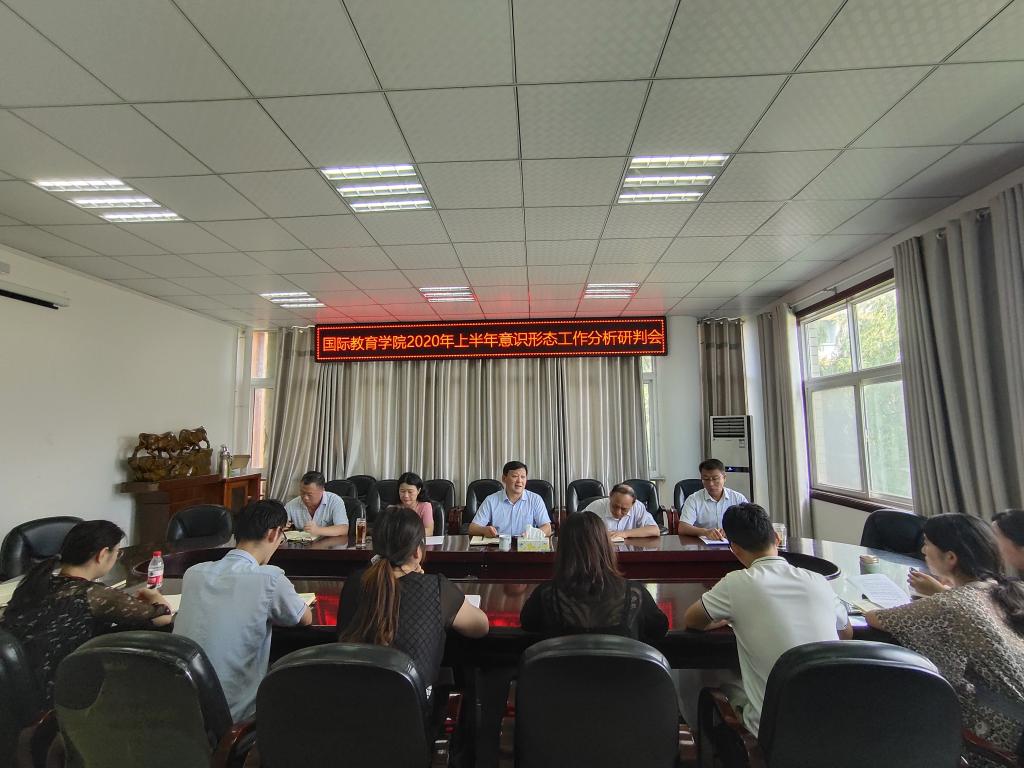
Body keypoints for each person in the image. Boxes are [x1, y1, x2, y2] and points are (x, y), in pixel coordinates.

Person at [683, 503, 851, 737]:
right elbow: (846, 633)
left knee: (715, 682)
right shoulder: (817, 580)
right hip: (836, 724)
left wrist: (722, 621)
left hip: (773, 732)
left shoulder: (737, 583)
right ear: (777, 538)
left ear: (735, 549)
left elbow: (692, 620)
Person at [866, 514, 1024, 762]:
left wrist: (940, 596)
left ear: (951, 558)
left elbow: (876, 619)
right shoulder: (1007, 590)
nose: (923, 550)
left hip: (1000, 739)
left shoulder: (951, 605)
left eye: (927, 543)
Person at [1, 520, 173, 704]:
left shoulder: (34, 581)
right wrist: (154, 595)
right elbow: (163, 617)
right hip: (55, 691)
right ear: (102, 554)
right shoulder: (91, 593)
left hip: (13, 686)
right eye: (117, 553)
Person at [173, 499, 313, 721]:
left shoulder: (194, 573)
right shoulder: (270, 578)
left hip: (182, 708)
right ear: (273, 533)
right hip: (235, 718)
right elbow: (305, 618)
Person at [338, 505, 489, 700]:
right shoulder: (436, 587)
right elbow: (481, 626)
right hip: (413, 714)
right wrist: (422, 581)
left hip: (353, 706)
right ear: (417, 551)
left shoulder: (354, 583)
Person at [520, 510, 668, 641]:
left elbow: (528, 624)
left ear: (563, 550)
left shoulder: (546, 593)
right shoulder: (634, 593)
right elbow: (659, 629)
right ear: (605, 546)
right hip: (621, 665)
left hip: (560, 665)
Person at [468, 461, 551, 537]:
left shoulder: (535, 499)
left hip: (526, 545)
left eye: (523, 477)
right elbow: (472, 528)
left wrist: (534, 534)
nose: (519, 481)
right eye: (515, 476)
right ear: (504, 478)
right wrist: (483, 530)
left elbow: (547, 528)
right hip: (500, 545)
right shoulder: (491, 500)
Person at [678, 458, 749, 540]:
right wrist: (705, 532)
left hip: (733, 543)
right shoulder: (693, 499)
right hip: (702, 544)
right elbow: (682, 528)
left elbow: (750, 524)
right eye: (706, 479)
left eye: (715, 479)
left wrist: (731, 531)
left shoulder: (738, 498)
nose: (711, 484)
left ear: (724, 478)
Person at [284, 470, 348, 537]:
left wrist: (318, 530)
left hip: (329, 543)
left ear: (322, 490)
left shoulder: (335, 501)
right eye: (302, 492)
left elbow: (343, 529)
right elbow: (280, 523)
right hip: (303, 542)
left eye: (309, 494)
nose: (305, 498)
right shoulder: (292, 504)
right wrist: (282, 527)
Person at [583, 483, 660, 539]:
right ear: (610, 496)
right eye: (615, 506)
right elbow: (577, 529)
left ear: (632, 504)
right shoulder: (595, 506)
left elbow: (654, 530)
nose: (618, 512)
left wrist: (624, 534)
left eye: (624, 509)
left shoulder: (637, 506)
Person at [397, 471, 434, 536]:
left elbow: (429, 531)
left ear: (418, 491)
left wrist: (407, 534)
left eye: (410, 492)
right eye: (402, 491)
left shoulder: (425, 506)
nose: (406, 496)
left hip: (418, 541)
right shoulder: (392, 508)